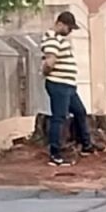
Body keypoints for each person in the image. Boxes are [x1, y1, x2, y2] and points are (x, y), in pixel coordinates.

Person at [41, 10, 99, 167]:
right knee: (59, 117)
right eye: (69, 28)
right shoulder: (52, 39)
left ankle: (86, 144)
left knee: (80, 111)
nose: (70, 31)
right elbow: (50, 61)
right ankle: (55, 153)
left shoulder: (58, 39)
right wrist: (46, 72)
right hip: (59, 84)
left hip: (68, 85)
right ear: (60, 24)